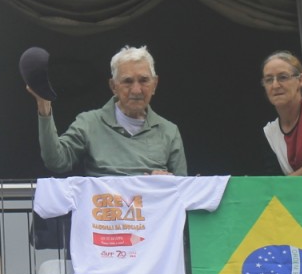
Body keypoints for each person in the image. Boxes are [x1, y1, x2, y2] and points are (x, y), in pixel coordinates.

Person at [27, 45, 187, 176]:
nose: (137, 90)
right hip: (104, 213)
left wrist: (169, 183)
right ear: (113, 86)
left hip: (154, 213)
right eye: (127, 81)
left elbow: (184, 193)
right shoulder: (90, 123)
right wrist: (44, 105)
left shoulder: (169, 131)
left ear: (155, 84)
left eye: (144, 80)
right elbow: (57, 162)